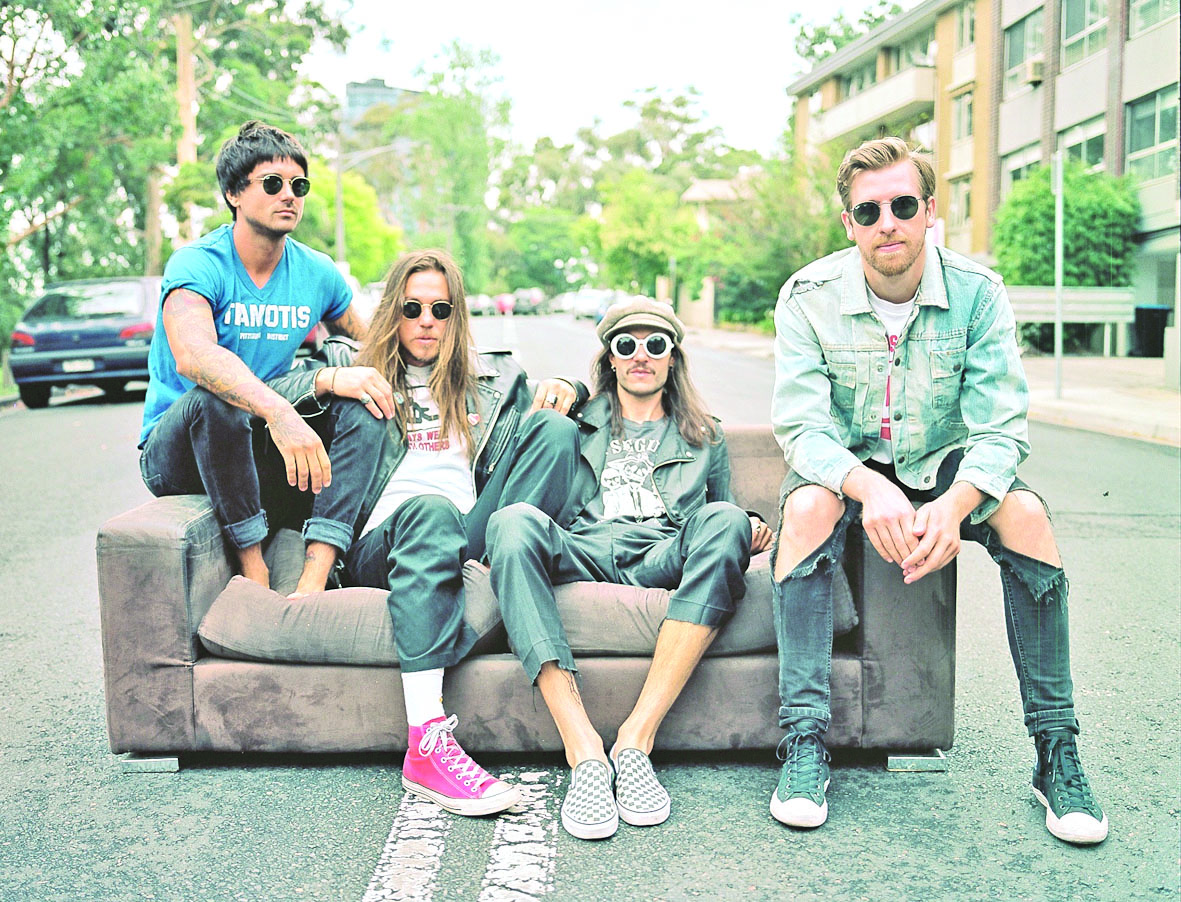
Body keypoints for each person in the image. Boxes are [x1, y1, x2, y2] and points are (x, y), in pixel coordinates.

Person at [768, 137, 1107, 845]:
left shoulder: (978, 293)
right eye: (869, 211)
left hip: (945, 461)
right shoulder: (807, 296)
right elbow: (801, 427)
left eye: (902, 205)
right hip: (852, 465)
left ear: (928, 211)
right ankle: (804, 742)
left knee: (1026, 516)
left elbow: (1001, 426)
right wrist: (868, 487)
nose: (887, 222)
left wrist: (954, 507)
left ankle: (1056, 752)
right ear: (850, 223)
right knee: (804, 509)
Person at [270, 248, 583, 819]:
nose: (426, 321)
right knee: (430, 510)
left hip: (468, 537)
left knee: (555, 430)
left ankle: (498, 576)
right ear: (392, 309)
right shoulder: (353, 368)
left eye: (441, 309)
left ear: (456, 316)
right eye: (412, 308)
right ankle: (426, 744)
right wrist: (333, 379)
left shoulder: (493, 378)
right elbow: (272, 393)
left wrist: (570, 386)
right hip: (387, 541)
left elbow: (560, 408)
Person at [485, 298, 773, 840]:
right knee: (512, 522)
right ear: (611, 358)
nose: (642, 355)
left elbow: (722, 510)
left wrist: (748, 524)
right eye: (627, 344)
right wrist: (569, 389)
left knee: (728, 520)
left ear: (673, 358)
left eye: (655, 344)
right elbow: (525, 420)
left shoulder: (705, 434)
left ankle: (636, 741)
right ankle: (585, 751)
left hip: (661, 552)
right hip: (583, 546)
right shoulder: (575, 421)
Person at [138, 120, 369, 588]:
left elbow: (370, 341)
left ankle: (321, 563)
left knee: (365, 402)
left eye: (299, 186)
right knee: (216, 395)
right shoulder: (199, 263)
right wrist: (280, 411)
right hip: (180, 453)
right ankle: (253, 568)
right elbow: (194, 356)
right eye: (272, 183)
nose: (289, 195)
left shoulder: (316, 272)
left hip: (260, 447)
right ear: (234, 193)